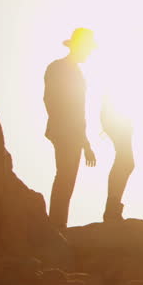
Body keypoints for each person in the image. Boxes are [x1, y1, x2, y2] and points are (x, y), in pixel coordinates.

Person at [43, 28, 97, 230]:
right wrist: (61, 124)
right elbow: (50, 99)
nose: (89, 53)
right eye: (87, 48)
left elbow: (80, 112)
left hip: (73, 132)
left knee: (68, 176)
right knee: (65, 174)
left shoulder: (76, 73)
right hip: (64, 130)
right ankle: (56, 224)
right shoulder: (58, 67)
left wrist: (85, 143)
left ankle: (59, 223)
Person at [100, 94, 134, 222]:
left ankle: (113, 206)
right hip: (115, 117)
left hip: (116, 117)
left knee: (126, 161)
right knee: (125, 160)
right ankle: (112, 209)